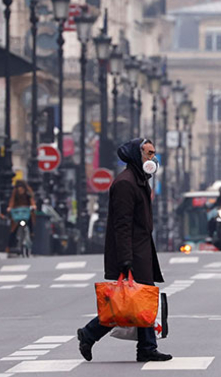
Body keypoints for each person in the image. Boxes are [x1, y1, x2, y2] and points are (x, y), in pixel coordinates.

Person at [76, 138, 172, 363]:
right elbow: (122, 224)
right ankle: (91, 334)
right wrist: (126, 258)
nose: (153, 158)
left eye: (154, 154)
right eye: (149, 153)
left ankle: (145, 346)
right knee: (134, 300)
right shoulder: (125, 183)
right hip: (133, 252)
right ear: (136, 155)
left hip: (141, 249)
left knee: (140, 300)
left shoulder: (139, 180)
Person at [6, 180, 35, 255]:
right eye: (19, 189)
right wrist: (10, 207)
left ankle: (32, 235)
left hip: (26, 214)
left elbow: (32, 201)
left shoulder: (28, 193)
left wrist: (33, 206)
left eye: (21, 189)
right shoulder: (15, 193)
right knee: (13, 230)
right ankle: (9, 246)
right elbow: (12, 201)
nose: (20, 191)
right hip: (18, 214)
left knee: (30, 223)